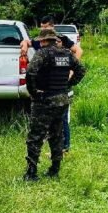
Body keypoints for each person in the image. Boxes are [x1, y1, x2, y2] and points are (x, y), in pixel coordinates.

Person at [24, 28, 86, 181]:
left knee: (35, 136)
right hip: (62, 100)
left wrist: (33, 92)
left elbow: (30, 72)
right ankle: (55, 169)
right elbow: (81, 70)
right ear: (54, 39)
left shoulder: (43, 53)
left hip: (44, 100)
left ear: (43, 41)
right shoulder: (66, 53)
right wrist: (67, 85)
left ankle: (31, 173)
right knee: (57, 134)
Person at [21, 15, 83, 152]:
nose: (44, 29)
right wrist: (24, 46)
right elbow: (27, 42)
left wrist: (70, 73)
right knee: (49, 122)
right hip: (46, 87)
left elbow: (79, 52)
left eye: (46, 27)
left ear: (52, 27)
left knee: (61, 120)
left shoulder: (61, 40)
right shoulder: (40, 41)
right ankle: (55, 152)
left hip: (60, 86)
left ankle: (64, 148)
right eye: (42, 27)